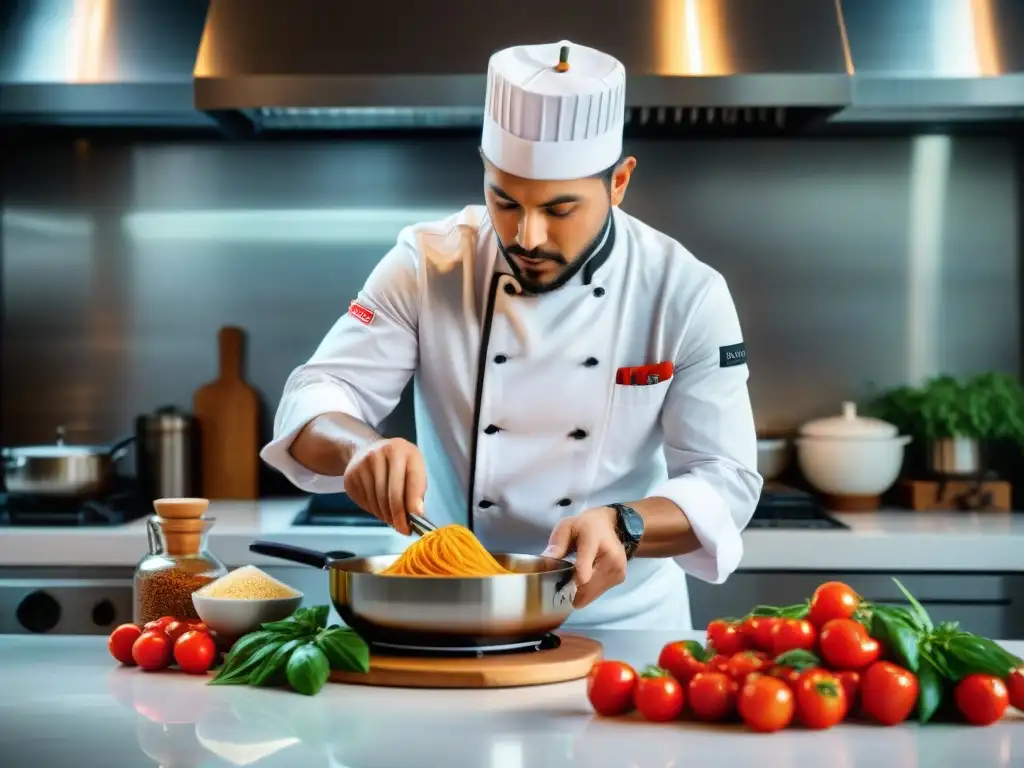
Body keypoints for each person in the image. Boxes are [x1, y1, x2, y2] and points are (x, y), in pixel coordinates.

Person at [260, 40, 762, 630]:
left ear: (620, 182)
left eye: (560, 209)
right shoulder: (429, 263)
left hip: (619, 622)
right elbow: (318, 393)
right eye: (504, 201)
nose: (527, 236)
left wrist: (627, 524)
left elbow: (726, 478)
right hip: (449, 604)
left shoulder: (684, 293)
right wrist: (359, 449)